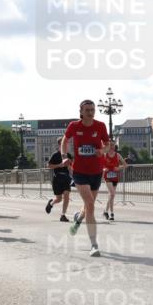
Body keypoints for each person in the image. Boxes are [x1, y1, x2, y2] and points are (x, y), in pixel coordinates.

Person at [62, 99, 109, 256]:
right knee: (90, 204)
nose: (90, 112)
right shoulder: (74, 126)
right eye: (87, 110)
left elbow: (108, 144)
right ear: (81, 111)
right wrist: (64, 155)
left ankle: (78, 219)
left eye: (92, 109)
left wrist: (102, 151)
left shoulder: (100, 126)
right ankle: (94, 244)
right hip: (80, 171)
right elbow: (65, 140)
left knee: (89, 206)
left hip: (96, 172)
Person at [44, 136, 73, 222]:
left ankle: (63, 215)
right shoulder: (55, 155)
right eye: (64, 143)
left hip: (66, 178)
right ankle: (51, 204)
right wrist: (59, 165)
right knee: (59, 199)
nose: (66, 144)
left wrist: (72, 173)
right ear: (59, 144)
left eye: (67, 143)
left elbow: (71, 168)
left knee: (67, 196)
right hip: (57, 178)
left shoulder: (69, 155)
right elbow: (48, 166)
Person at [101, 139, 127, 221]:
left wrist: (118, 168)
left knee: (111, 196)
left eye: (113, 145)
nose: (112, 147)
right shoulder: (105, 155)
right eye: (110, 145)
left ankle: (106, 211)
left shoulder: (118, 155)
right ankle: (112, 213)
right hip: (107, 177)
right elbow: (100, 165)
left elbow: (125, 165)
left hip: (115, 177)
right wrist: (104, 169)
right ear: (107, 146)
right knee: (112, 194)